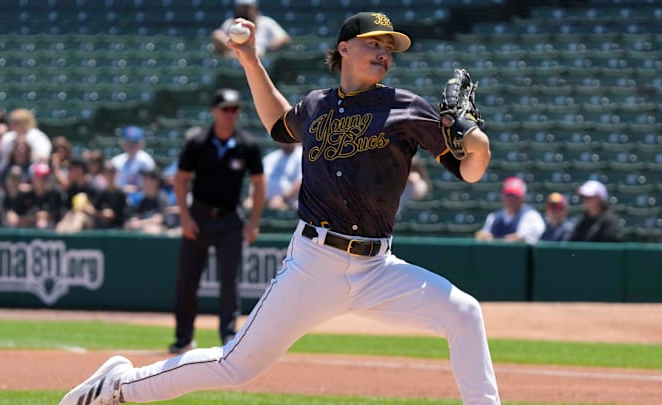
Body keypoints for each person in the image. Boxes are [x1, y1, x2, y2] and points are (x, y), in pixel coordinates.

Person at [60, 11, 500, 405]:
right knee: (236, 365)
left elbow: (470, 171)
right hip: (314, 263)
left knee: (464, 313)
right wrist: (251, 60)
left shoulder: (408, 108)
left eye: (388, 48)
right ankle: (120, 387)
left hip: (378, 268)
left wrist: (474, 138)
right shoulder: (317, 105)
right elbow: (278, 124)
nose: (383, 53)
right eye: (373, 43)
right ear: (343, 49)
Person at [168, 87, 266, 354]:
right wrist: (185, 217)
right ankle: (183, 337)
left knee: (229, 281)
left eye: (234, 109)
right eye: (225, 109)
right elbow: (180, 179)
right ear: (214, 111)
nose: (229, 114)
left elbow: (259, 184)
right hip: (198, 217)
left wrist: (253, 222)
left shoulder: (248, 145)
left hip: (230, 220)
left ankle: (229, 337)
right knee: (187, 280)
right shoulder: (197, 142)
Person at [475, 176, 545, 244]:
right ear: (503, 196)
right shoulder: (493, 217)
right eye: (508, 195)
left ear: (523, 198)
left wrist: (493, 240)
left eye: (514, 196)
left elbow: (522, 240)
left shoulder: (531, 216)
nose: (510, 200)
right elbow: (483, 237)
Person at [211, 0, 290, 59]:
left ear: (255, 8)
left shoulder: (266, 22)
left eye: (247, 8)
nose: (244, 11)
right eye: (242, 8)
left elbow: (284, 37)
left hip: (260, 56)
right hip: (235, 56)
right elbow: (217, 35)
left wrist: (271, 46)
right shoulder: (230, 22)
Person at [245, 141, 302, 211]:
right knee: (249, 205)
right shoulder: (271, 157)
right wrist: (252, 197)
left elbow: (301, 182)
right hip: (266, 202)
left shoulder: (302, 155)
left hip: (290, 204)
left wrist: (282, 198)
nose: (284, 141)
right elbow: (257, 178)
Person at [0, 108, 51, 174]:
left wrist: (25, 155)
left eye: (16, 123)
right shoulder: (8, 137)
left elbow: (44, 157)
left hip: (32, 170)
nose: (12, 125)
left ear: (25, 123)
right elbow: (0, 157)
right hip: (10, 171)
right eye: (12, 122)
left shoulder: (37, 136)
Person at [110, 126, 156, 195]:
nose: (131, 145)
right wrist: (122, 189)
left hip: (141, 197)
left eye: (135, 142)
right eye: (128, 142)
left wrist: (136, 189)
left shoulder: (147, 161)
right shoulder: (116, 161)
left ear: (141, 143)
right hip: (119, 197)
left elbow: (152, 185)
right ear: (122, 143)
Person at [123, 168, 170, 235]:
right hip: (144, 228)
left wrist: (140, 223)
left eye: (146, 179)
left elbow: (159, 219)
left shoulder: (161, 197)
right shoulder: (144, 199)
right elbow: (138, 215)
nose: (143, 182)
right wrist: (133, 221)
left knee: (151, 229)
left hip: (163, 232)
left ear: (155, 181)